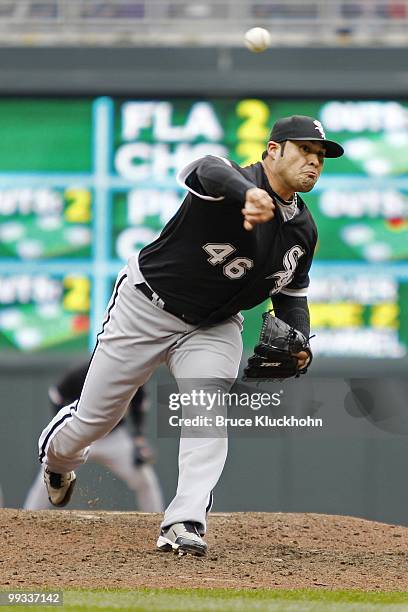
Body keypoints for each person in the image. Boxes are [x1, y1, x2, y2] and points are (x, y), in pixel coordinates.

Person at [38, 115, 343, 557]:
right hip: (146, 307)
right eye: (304, 150)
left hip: (213, 327)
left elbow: (292, 292)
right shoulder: (230, 182)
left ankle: (184, 522)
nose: (314, 162)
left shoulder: (303, 230)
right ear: (273, 150)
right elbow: (202, 167)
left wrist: (300, 340)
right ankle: (57, 461)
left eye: (320, 156)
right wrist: (249, 194)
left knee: (208, 413)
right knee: (95, 421)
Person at [27, 362, 163, 512]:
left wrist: (139, 436)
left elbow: (139, 404)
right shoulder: (81, 372)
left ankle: (157, 522)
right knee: (48, 477)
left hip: (114, 438)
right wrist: (62, 427)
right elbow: (56, 395)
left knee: (145, 481)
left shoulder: (128, 373)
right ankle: (29, 517)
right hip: (81, 436)